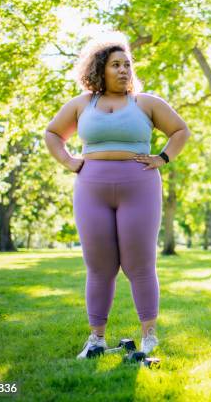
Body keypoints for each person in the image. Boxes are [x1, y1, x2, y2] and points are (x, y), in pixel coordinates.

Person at [43, 32, 191, 359]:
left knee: (139, 264)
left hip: (139, 187)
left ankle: (149, 336)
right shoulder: (82, 103)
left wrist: (162, 158)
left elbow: (180, 131)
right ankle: (96, 338)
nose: (123, 70)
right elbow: (53, 133)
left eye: (127, 65)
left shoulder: (146, 103)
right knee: (99, 266)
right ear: (100, 69)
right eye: (115, 65)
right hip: (91, 189)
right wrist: (68, 161)